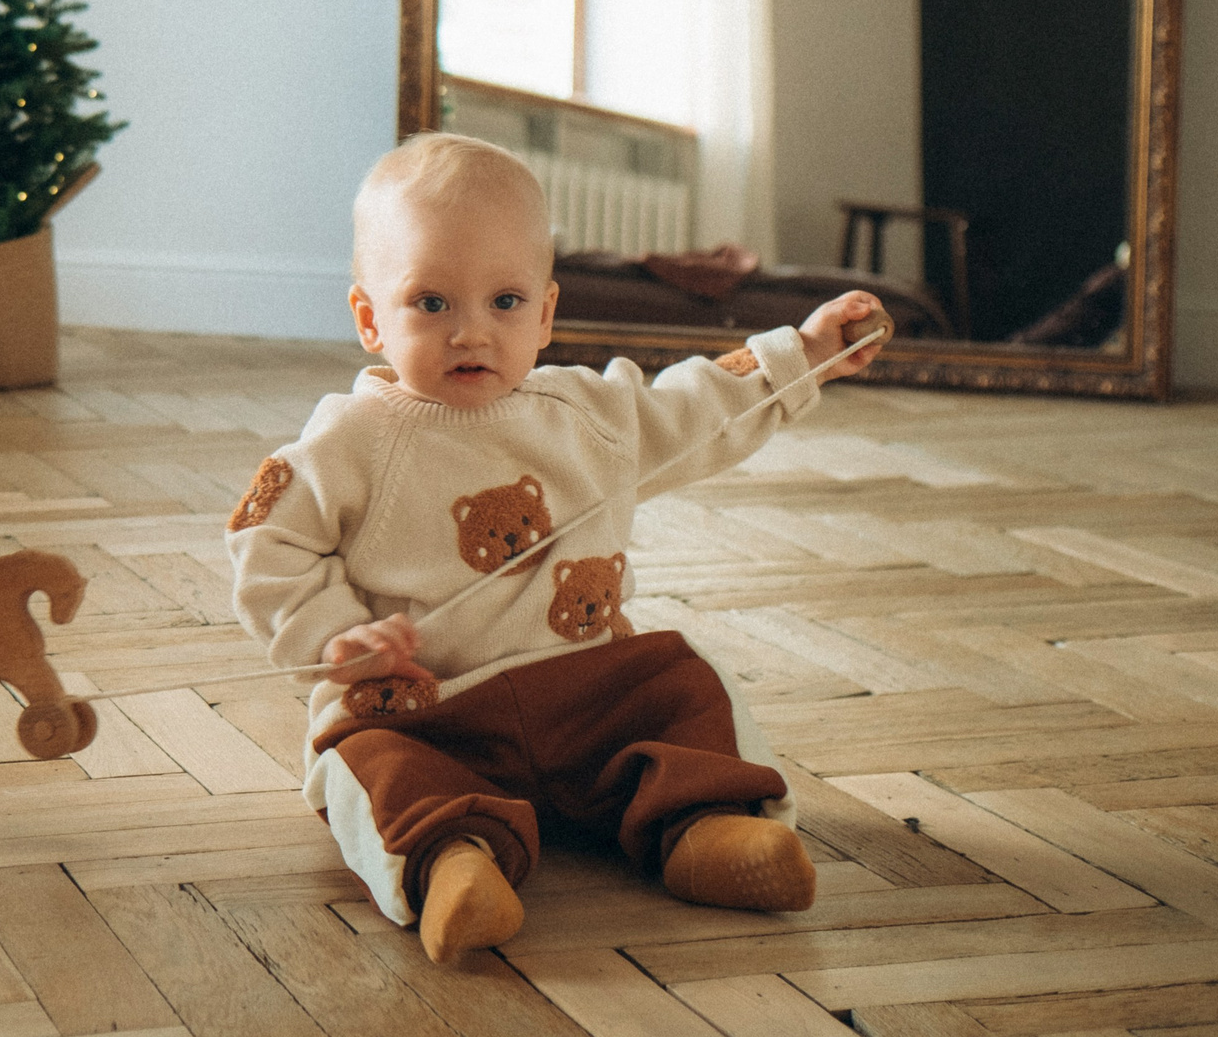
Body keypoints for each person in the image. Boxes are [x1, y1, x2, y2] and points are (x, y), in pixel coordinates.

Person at [226, 133, 882, 963]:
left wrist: (809, 355)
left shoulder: (589, 414)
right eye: (431, 303)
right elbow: (266, 536)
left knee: (685, 681)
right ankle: (452, 862)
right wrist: (333, 637)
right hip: (432, 710)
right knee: (364, 758)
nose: (471, 332)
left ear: (544, 313)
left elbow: (700, 406)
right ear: (368, 318)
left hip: (589, 694)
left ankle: (706, 826)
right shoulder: (347, 440)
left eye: (504, 302)